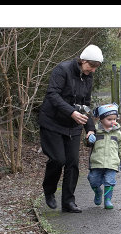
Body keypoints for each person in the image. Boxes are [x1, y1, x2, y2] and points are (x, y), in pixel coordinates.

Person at [38, 44, 103, 213]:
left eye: (96, 67)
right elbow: (52, 94)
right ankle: (49, 190)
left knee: (73, 163)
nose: (93, 70)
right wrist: (72, 112)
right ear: (82, 61)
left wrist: (90, 129)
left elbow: (86, 105)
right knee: (58, 160)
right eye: (91, 66)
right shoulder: (62, 70)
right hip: (52, 122)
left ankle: (68, 202)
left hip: (72, 126)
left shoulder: (88, 77)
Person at [87, 103, 121, 209]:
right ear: (101, 119)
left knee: (110, 181)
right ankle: (98, 192)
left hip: (112, 163)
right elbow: (87, 143)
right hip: (97, 162)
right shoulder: (95, 131)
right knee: (93, 180)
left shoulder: (117, 133)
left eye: (115, 119)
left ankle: (107, 200)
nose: (113, 122)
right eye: (109, 119)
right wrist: (89, 139)